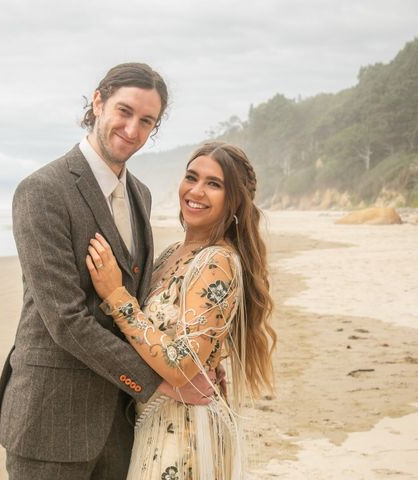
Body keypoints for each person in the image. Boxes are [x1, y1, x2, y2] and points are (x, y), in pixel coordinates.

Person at [0, 62, 218, 480]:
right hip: (51, 420)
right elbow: (65, 320)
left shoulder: (139, 195)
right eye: (124, 111)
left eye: (147, 121)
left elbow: (142, 301)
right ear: (98, 102)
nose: (132, 129)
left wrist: (195, 360)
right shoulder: (42, 191)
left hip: (121, 421)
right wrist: (162, 382)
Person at [86, 142, 276, 479]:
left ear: (234, 201)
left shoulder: (216, 261)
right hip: (156, 421)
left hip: (186, 433)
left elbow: (183, 367)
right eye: (192, 177)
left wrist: (116, 295)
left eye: (214, 184)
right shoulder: (173, 252)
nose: (197, 191)